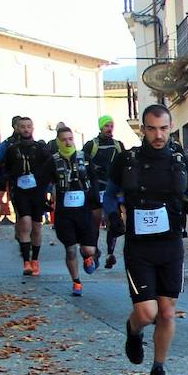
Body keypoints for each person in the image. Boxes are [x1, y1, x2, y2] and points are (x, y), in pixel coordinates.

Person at [103, 104, 188, 375]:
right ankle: (133, 330)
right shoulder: (126, 160)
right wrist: (112, 215)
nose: (158, 135)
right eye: (151, 128)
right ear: (143, 129)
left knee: (167, 313)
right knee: (147, 312)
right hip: (139, 246)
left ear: (170, 127)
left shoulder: (181, 161)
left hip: (171, 244)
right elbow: (109, 194)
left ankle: (158, 368)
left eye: (163, 128)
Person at [0, 116, 53, 276]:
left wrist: (48, 184)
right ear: (17, 128)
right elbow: (1, 165)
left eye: (28, 126)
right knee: (25, 222)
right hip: (20, 191)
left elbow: (51, 165)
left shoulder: (40, 148)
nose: (26, 129)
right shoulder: (11, 148)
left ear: (32, 128)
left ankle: (35, 260)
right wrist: (2, 179)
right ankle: (26, 261)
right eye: (23, 126)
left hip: (37, 192)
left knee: (37, 227)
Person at [49, 126, 102, 296]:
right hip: (64, 213)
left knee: (89, 249)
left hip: (84, 209)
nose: (67, 142)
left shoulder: (83, 158)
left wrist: (95, 197)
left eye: (70, 138)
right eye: (64, 139)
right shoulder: (53, 161)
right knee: (70, 249)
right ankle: (76, 282)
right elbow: (43, 179)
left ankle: (88, 257)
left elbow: (94, 177)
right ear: (58, 142)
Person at [85, 116, 127, 269]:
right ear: (100, 128)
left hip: (112, 188)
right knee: (95, 221)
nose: (109, 129)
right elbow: (84, 164)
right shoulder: (91, 145)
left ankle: (110, 253)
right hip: (96, 188)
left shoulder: (118, 145)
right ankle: (95, 250)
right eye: (106, 126)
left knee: (112, 220)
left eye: (111, 125)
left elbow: (125, 164)